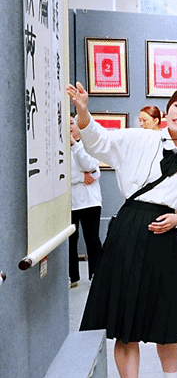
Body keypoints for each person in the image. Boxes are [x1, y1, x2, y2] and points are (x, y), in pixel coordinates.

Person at [68, 81, 177, 378]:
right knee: (125, 321)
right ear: (168, 109)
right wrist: (83, 111)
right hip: (130, 230)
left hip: (168, 238)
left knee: (168, 319)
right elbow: (99, 141)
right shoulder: (140, 138)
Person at [68, 115, 104, 288]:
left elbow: (91, 167)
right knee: (70, 240)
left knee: (92, 239)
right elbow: (62, 177)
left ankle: (97, 274)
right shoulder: (59, 148)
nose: (69, 127)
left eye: (71, 123)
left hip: (91, 202)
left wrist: (74, 145)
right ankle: (72, 277)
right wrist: (80, 177)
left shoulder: (87, 146)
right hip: (69, 203)